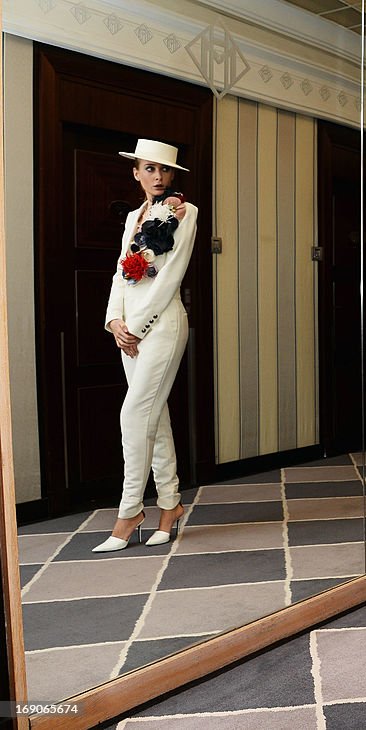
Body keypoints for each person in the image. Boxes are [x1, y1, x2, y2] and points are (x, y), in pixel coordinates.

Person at [93, 139, 197, 552]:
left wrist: (137, 325)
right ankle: (170, 505)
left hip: (163, 325)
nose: (157, 177)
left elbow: (170, 278)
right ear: (136, 172)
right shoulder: (133, 217)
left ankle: (129, 510)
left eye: (164, 171)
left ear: (172, 176)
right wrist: (114, 321)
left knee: (134, 414)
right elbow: (121, 274)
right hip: (128, 331)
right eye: (149, 169)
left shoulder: (183, 213)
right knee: (156, 417)